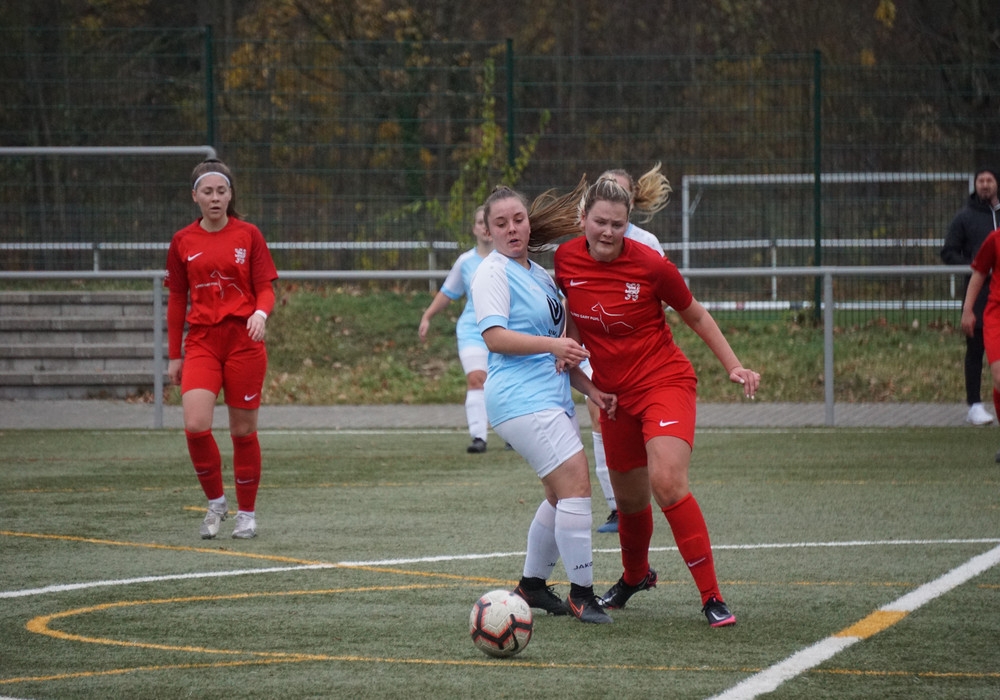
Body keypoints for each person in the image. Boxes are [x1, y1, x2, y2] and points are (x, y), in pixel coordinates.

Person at [551, 175, 760, 628]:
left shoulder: (652, 265)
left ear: (629, 224)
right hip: (614, 397)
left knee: (667, 482)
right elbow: (575, 320)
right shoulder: (565, 259)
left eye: (618, 225)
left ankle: (712, 598)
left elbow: (696, 314)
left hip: (664, 383)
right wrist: (574, 362)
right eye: (601, 222)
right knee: (628, 504)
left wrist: (734, 365)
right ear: (583, 219)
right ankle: (634, 577)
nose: (608, 232)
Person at [470, 183, 617, 624]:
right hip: (519, 399)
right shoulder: (492, 272)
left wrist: (592, 390)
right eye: (501, 223)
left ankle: (532, 586)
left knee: (558, 495)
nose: (512, 228)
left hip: (548, 397)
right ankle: (582, 593)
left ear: (528, 222)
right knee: (577, 487)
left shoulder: (539, 274)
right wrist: (554, 345)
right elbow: (495, 337)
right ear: (489, 231)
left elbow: (560, 351)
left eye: (518, 219)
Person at [165, 158, 278, 540]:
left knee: (243, 431)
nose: (215, 198)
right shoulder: (183, 241)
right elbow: (177, 299)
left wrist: (260, 313)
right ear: (194, 196)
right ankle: (216, 503)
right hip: (201, 342)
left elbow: (265, 287)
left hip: (244, 343)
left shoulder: (248, 234)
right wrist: (174, 355)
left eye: (222, 191)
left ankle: (247, 513)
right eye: (208, 192)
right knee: (196, 426)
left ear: (231, 195)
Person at [580, 164, 672, 534]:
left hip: (639, 357)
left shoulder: (646, 245)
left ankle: (646, 497)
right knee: (597, 408)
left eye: (619, 191)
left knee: (639, 427)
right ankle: (616, 507)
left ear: (630, 202)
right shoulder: (581, 241)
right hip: (596, 351)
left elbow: (667, 300)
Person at [419, 206, 494, 453]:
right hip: (473, 331)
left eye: (490, 222)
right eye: (480, 222)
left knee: (500, 383)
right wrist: (428, 315)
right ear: (474, 228)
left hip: (504, 332)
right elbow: (447, 292)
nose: (485, 227)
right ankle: (479, 437)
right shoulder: (465, 262)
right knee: (476, 379)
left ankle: (512, 433)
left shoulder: (510, 260)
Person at [942, 167, 1000, 426]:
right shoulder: (965, 217)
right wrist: (975, 266)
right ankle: (974, 404)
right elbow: (949, 252)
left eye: (990, 180)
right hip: (981, 297)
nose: (985, 184)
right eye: (981, 180)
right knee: (976, 349)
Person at [961, 223, 1000, 461]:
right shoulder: (995, 239)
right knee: (999, 376)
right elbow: (979, 273)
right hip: (996, 315)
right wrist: (967, 309)